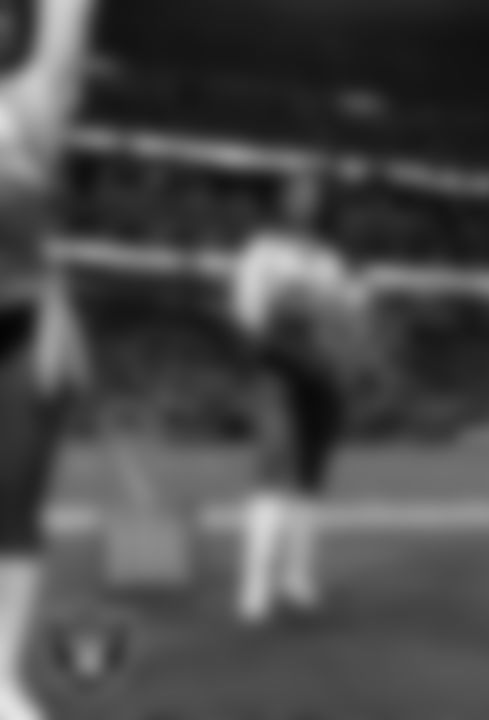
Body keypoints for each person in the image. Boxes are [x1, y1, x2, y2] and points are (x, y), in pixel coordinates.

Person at [0, 1, 99, 717]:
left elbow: (64, 42)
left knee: (13, 511)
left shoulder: (23, 107)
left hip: (19, 326)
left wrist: (59, 301)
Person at [229, 169, 379, 625]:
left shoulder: (332, 260)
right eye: (298, 193)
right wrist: (287, 316)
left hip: (322, 377)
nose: (306, 202)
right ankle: (256, 584)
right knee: (271, 468)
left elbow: (352, 320)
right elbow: (246, 315)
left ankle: (297, 574)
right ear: (283, 200)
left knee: (312, 477)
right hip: (277, 371)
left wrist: (356, 303)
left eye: (314, 194)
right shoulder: (261, 251)